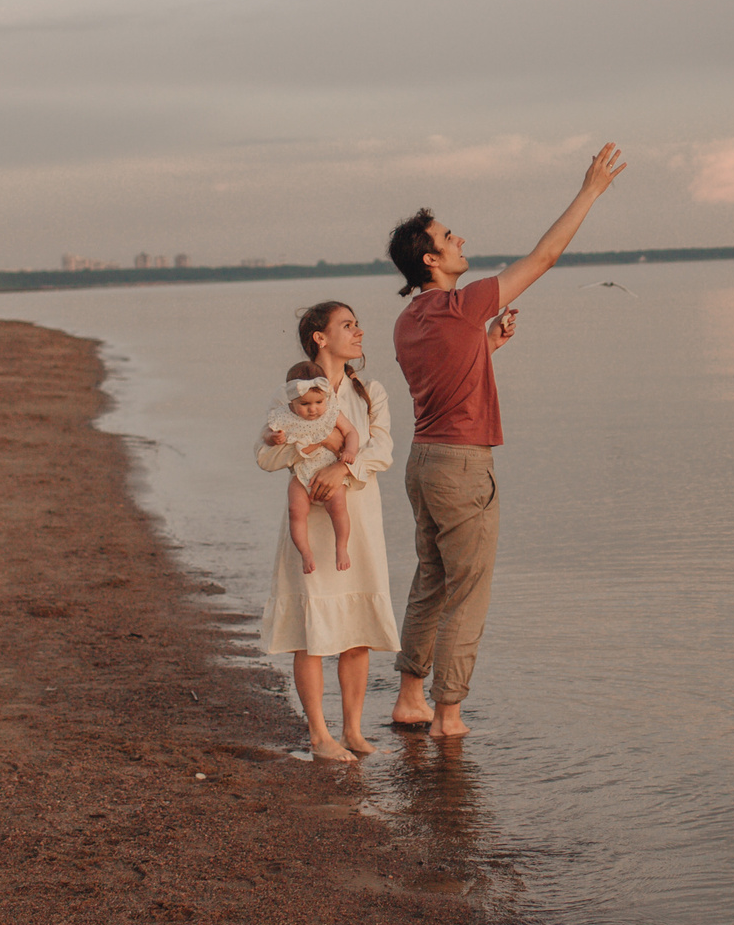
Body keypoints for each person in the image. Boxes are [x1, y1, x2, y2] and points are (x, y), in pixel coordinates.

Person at [386, 142, 625, 737]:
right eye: (449, 237)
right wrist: (590, 190)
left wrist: (485, 346)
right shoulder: (463, 305)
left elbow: (440, 383)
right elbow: (545, 256)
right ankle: (448, 715)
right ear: (430, 260)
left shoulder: (408, 320)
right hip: (462, 467)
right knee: (467, 590)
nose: (460, 239)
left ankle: (410, 698)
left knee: (432, 580)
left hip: (423, 461)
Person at [256, 302, 400, 762]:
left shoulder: (369, 390)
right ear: (320, 337)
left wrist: (343, 465)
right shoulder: (292, 394)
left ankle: (353, 731)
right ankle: (319, 735)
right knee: (312, 628)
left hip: (358, 516)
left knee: (357, 629)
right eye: (347, 325)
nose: (359, 332)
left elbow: (383, 450)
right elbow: (264, 457)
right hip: (309, 523)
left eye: (357, 324)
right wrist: (302, 446)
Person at [267, 362, 356, 573]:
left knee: (338, 507)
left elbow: (351, 432)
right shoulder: (284, 416)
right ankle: (305, 553)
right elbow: (265, 438)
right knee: (295, 511)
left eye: (318, 402)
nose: (313, 409)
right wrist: (273, 438)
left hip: (329, 468)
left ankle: (341, 547)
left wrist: (350, 452)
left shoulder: (331, 411)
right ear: (292, 401)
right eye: (305, 404)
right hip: (302, 473)